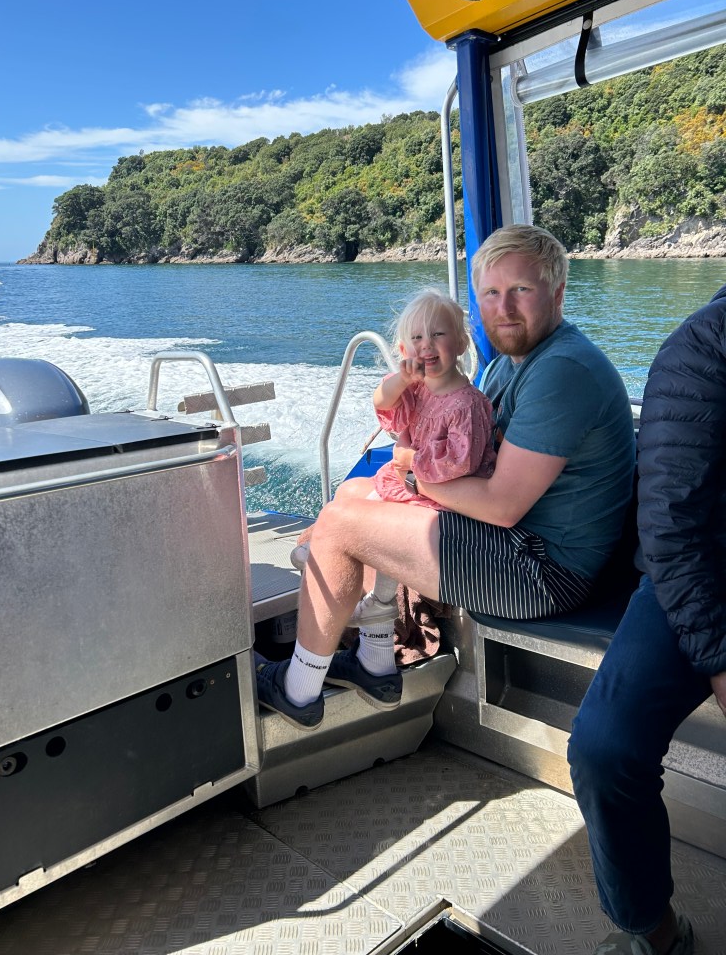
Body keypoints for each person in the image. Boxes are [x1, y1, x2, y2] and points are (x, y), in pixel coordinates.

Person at [255, 223, 637, 732]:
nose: (504, 307)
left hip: (543, 571)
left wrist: (410, 473)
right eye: (491, 293)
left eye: (521, 290)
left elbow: (502, 505)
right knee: (350, 493)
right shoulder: (509, 365)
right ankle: (374, 662)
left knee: (344, 525)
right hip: (513, 544)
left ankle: (297, 688)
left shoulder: (563, 370)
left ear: (558, 292)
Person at [568, 285, 726, 955]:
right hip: (698, 577)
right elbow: (669, 530)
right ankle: (652, 931)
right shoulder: (701, 351)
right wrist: (720, 661)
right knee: (604, 748)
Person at [325, 287, 497, 626]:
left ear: (461, 343)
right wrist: (402, 379)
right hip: (419, 485)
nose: (426, 345)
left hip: (452, 499)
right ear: (405, 349)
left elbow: (458, 463)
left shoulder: (468, 404)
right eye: (417, 337)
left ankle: (378, 596)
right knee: (352, 498)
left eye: (437, 334)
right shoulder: (417, 390)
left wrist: (409, 462)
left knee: (365, 515)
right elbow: (383, 402)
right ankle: (373, 598)